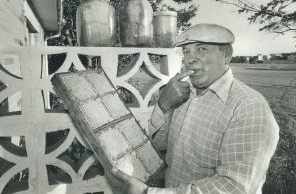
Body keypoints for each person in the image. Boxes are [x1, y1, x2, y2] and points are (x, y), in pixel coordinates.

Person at [108, 23, 279, 194]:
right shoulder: (182, 92)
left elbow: (234, 187)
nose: (190, 59)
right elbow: (158, 145)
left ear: (227, 55)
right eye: (187, 51)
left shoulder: (250, 108)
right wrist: (163, 105)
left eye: (202, 49)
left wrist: (148, 193)